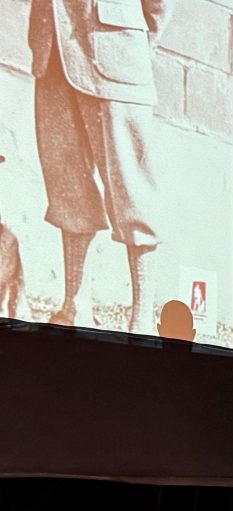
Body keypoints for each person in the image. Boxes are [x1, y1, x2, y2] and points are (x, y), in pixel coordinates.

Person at [28, 0, 174, 334]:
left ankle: (141, 320)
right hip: (52, 49)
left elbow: (160, 6)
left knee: (132, 188)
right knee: (67, 184)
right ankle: (75, 305)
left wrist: (135, 42)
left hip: (114, 49)